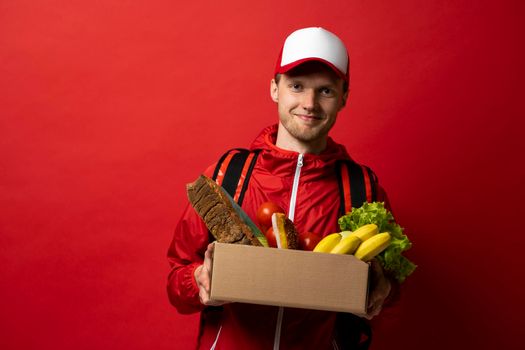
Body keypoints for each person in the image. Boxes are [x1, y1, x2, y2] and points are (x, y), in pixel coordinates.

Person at [167, 27, 395, 349]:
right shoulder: (229, 174)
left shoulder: (361, 189)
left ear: (344, 96)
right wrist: (198, 280)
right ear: (275, 89)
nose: (309, 103)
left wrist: (384, 287)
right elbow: (176, 281)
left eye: (326, 91)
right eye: (297, 86)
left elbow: (387, 283)